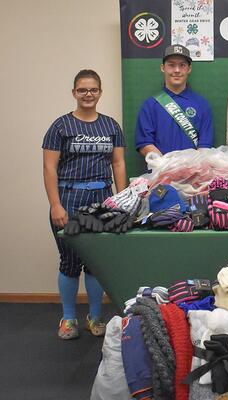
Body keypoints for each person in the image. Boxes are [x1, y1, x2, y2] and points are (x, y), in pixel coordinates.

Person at [42, 69, 126, 340]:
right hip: (69, 199)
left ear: (100, 92)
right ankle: (68, 319)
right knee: (69, 262)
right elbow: (49, 167)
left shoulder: (111, 126)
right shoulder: (60, 126)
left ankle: (95, 317)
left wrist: (121, 202)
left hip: (101, 199)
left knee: (95, 264)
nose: (88, 94)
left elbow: (118, 163)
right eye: (82, 90)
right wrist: (56, 205)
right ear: (74, 93)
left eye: (93, 90)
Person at [135, 44, 214, 156]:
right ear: (163, 68)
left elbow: (205, 146)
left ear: (189, 69)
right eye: (171, 65)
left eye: (182, 65)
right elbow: (144, 144)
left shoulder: (202, 104)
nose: (177, 70)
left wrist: (189, 168)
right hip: (161, 171)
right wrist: (165, 165)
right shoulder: (150, 105)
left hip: (193, 172)